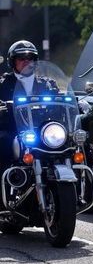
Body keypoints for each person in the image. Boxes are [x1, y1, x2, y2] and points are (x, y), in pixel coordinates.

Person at [0, 40, 58, 178]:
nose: (26, 62)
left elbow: (59, 100)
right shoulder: (3, 84)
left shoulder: (47, 84)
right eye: (21, 58)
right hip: (13, 129)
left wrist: (76, 104)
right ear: (13, 62)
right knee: (3, 141)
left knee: (69, 142)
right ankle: (6, 181)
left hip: (42, 130)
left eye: (30, 58)